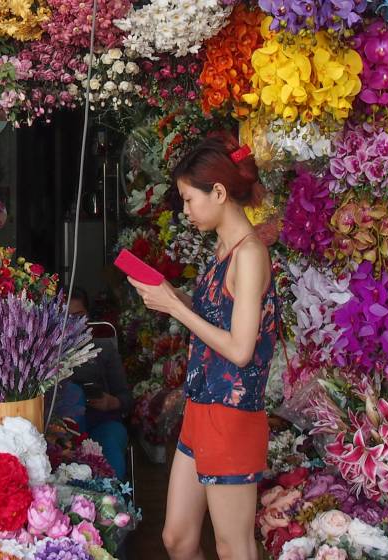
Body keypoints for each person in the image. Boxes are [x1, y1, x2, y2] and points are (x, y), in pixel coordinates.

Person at [127, 132, 277, 560]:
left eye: (190, 200)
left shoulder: (249, 255)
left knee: (234, 547)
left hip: (232, 416)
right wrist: (174, 296)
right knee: (177, 538)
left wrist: (176, 309)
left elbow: (240, 349)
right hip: (201, 406)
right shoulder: (223, 247)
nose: (187, 210)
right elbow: (221, 317)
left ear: (219, 191)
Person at [66, 287, 133, 480]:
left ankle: (113, 503)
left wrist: (111, 402)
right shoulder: (47, 353)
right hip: (64, 430)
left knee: (109, 445)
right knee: (73, 392)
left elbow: (127, 398)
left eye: (79, 315)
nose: (73, 323)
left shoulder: (104, 350)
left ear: (88, 316)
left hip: (103, 421)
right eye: (67, 317)